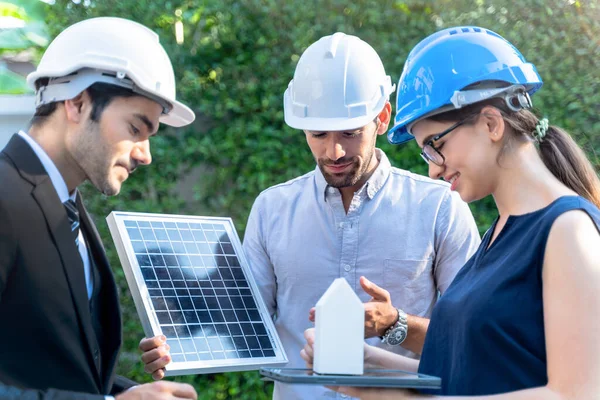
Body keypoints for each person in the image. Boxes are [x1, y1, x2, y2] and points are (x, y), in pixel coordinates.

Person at [301, 26, 600, 399]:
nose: (433, 169)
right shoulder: (500, 235)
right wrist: (362, 366)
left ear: (491, 124)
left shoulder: (568, 230)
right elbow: (468, 374)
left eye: (435, 145)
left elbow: (576, 394)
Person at [248, 32, 479, 400]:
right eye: (318, 133)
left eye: (351, 133)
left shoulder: (440, 207)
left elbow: (474, 339)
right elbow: (241, 328)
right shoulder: (270, 210)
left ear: (382, 118)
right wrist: (176, 343)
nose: (333, 150)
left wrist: (396, 324)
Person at [0, 17, 198, 400]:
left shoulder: (70, 208)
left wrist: (130, 393)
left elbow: (65, 372)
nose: (146, 155)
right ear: (77, 103)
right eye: (136, 129)